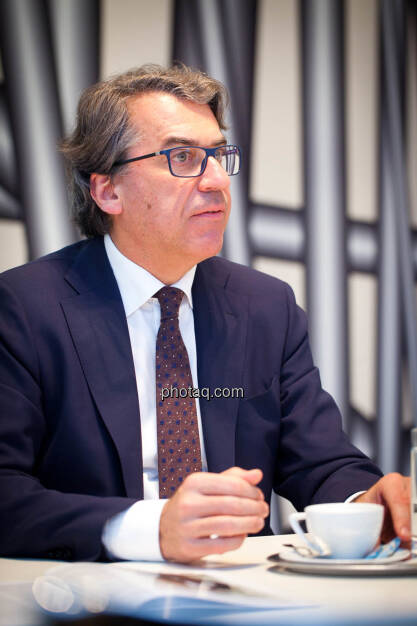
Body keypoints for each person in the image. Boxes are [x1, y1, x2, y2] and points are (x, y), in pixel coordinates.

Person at [0, 64, 410, 564]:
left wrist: (365, 505)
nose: (216, 180)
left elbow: (320, 463)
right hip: (87, 588)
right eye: (183, 157)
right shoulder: (24, 308)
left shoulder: (265, 306)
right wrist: (151, 529)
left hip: (244, 583)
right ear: (107, 191)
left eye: (218, 155)